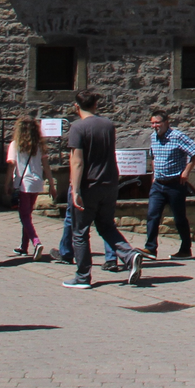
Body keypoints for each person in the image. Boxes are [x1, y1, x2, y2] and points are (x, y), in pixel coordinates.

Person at [63, 89, 145, 289]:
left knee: (80, 232)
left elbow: (77, 161)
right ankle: (129, 255)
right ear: (95, 104)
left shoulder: (77, 127)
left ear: (76, 106)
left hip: (88, 184)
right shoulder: (108, 125)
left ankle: (83, 276)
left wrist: (75, 190)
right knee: (106, 225)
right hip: (110, 183)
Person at [143, 109, 195, 259]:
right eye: (152, 123)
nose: (155, 126)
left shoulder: (177, 136)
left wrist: (187, 171)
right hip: (158, 184)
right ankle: (150, 248)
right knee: (152, 215)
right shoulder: (153, 137)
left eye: (157, 123)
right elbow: (153, 157)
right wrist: (154, 175)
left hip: (175, 184)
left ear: (166, 123)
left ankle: (185, 249)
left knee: (179, 218)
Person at [6, 116, 48, 260]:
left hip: (23, 183)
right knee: (27, 215)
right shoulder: (39, 145)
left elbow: (11, 165)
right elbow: (46, 166)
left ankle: (36, 242)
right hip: (37, 182)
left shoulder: (15, 145)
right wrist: (51, 184)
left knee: (24, 216)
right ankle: (24, 246)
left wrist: (7, 183)